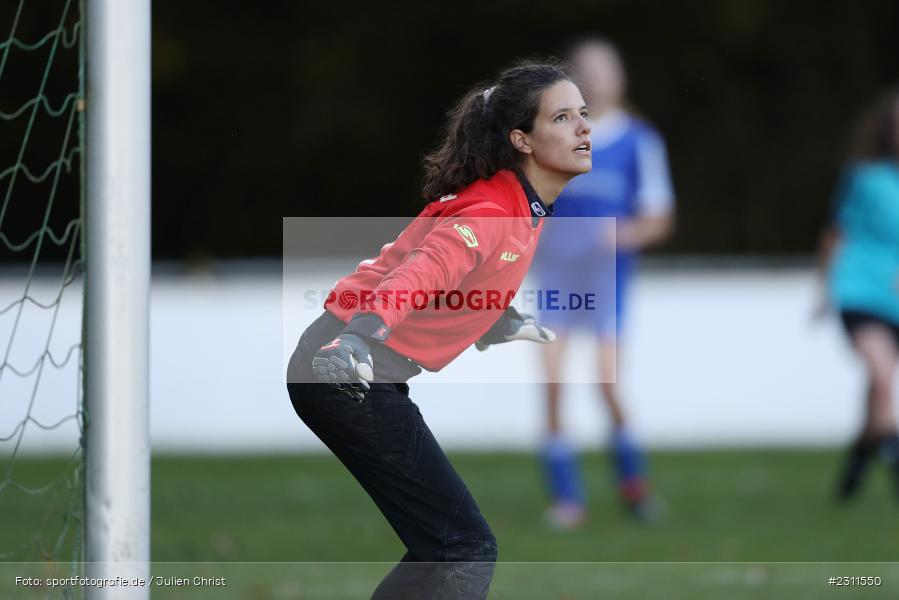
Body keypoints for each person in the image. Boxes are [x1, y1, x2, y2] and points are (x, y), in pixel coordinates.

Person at [286, 61, 591, 599]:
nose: (584, 127)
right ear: (521, 139)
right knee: (463, 549)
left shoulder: (519, 204)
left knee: (444, 547)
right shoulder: (494, 212)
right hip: (343, 366)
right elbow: (419, 274)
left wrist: (495, 320)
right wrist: (359, 336)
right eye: (563, 117)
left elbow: (461, 279)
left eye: (582, 114)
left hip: (352, 367)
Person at [532, 38, 675, 527]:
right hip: (557, 279)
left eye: (603, 70)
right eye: (584, 71)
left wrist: (616, 236)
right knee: (552, 383)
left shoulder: (639, 140)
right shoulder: (553, 138)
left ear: (620, 78)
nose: (595, 79)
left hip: (608, 280)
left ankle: (634, 487)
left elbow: (658, 218)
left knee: (606, 385)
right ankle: (566, 498)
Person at [817, 88, 899, 502]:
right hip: (861, 290)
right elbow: (838, 232)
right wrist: (823, 289)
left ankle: (857, 464)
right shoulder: (866, 176)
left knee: (877, 388)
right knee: (882, 374)